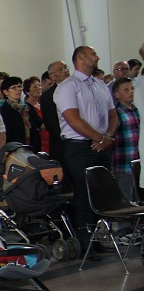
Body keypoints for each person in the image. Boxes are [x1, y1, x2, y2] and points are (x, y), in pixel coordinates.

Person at [56, 45, 118, 256]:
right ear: (81, 58)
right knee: (84, 194)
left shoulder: (100, 85)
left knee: (101, 194)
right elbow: (73, 119)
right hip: (80, 147)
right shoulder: (68, 86)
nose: (97, 57)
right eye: (93, 54)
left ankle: (97, 238)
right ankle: (84, 242)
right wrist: (99, 138)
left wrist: (107, 137)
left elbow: (112, 115)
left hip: (102, 145)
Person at [111, 77, 139, 204]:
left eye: (132, 88)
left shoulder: (137, 110)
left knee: (139, 199)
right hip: (124, 164)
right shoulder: (116, 114)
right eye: (126, 90)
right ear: (117, 94)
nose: (131, 92)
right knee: (126, 201)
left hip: (138, 164)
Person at [41, 60, 71, 156]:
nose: (65, 71)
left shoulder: (79, 89)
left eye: (66, 68)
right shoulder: (48, 96)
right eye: (60, 70)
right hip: (63, 144)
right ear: (52, 76)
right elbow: (52, 125)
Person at [23, 76, 49, 153]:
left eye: (39, 85)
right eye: (35, 87)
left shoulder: (44, 104)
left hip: (50, 139)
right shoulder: (26, 108)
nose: (38, 88)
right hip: (39, 142)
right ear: (27, 92)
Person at [0, 76, 29, 146]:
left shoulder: (27, 107)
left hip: (31, 146)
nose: (18, 89)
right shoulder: (4, 110)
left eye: (19, 86)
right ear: (5, 92)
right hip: (14, 146)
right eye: (14, 87)